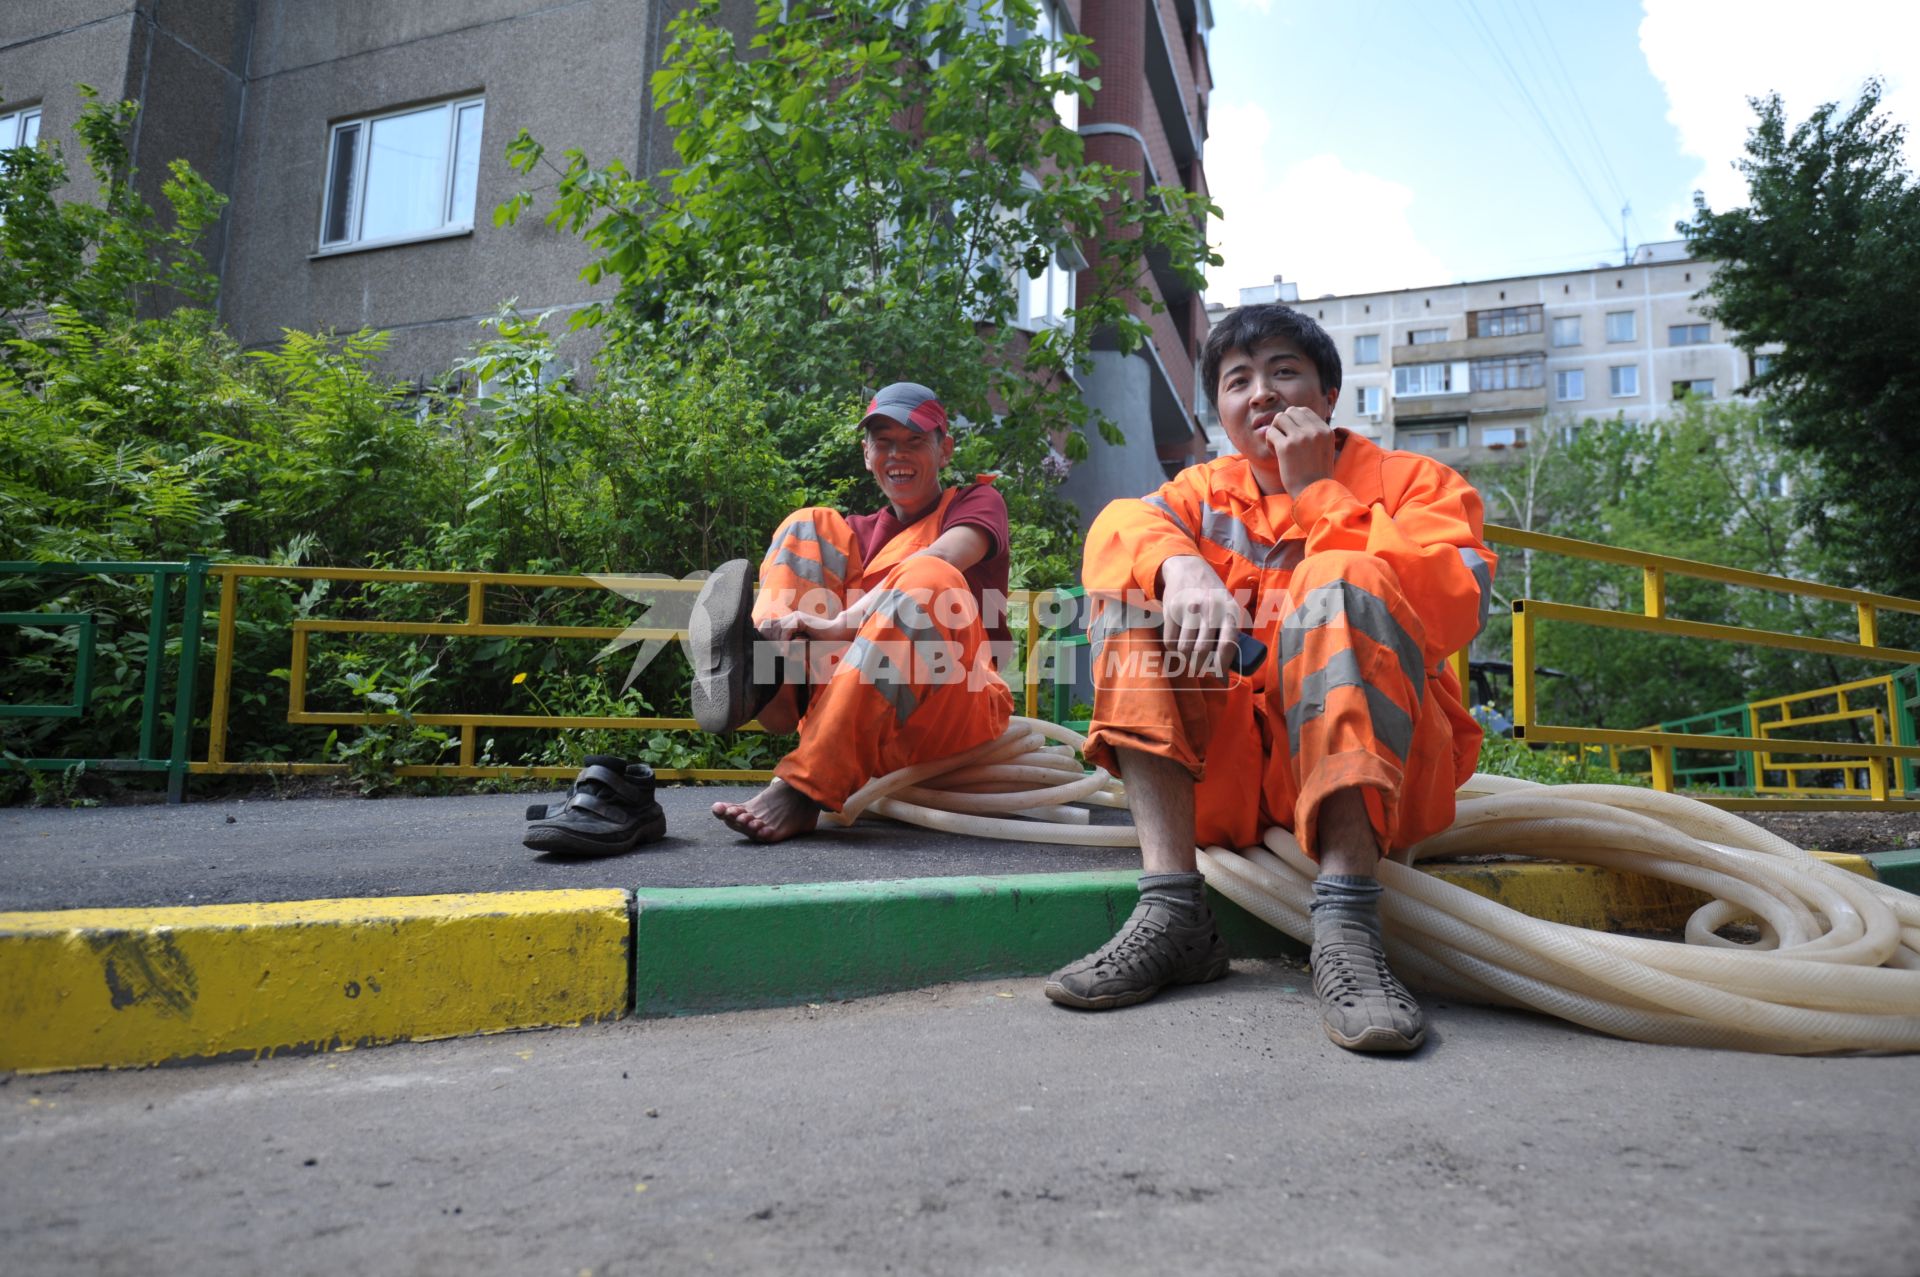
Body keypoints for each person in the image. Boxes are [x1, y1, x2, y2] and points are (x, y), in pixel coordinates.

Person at [1043, 304, 1495, 1052]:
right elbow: (1118, 526)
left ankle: (1347, 920)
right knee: (1132, 592)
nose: (1262, 393)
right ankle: (1172, 912)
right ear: (1219, 408)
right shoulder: (1199, 494)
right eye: (1237, 380)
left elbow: (1450, 606)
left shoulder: (1416, 482)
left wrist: (1319, 493)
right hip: (1225, 784)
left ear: (1327, 395)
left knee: (1345, 571)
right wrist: (1181, 567)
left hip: (1378, 782)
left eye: (1284, 371)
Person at [689, 382, 1015, 843]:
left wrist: (843, 622)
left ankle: (807, 786)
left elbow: (942, 558)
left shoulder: (976, 503)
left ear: (945, 451)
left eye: (915, 441)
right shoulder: (850, 535)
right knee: (808, 522)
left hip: (952, 710)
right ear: (867, 455)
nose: (897, 454)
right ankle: (766, 684)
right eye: (884, 443)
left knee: (927, 577)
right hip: (849, 722)